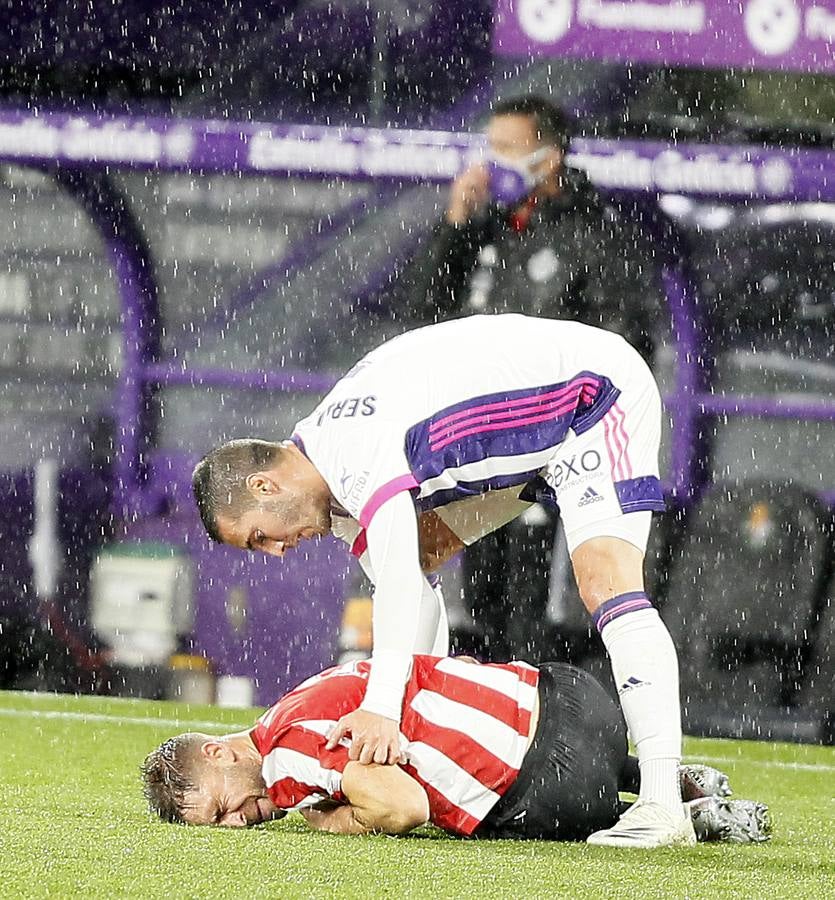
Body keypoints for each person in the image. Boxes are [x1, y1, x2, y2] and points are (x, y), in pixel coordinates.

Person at [191, 313, 684, 847]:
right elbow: (412, 593)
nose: (277, 551)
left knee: (605, 583)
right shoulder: (336, 489)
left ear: (264, 486)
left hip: (591, 396)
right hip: (537, 432)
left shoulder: (350, 452)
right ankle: (677, 788)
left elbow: (400, 583)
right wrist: (412, 726)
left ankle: (662, 802)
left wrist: (380, 709)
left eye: (260, 536)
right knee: (423, 549)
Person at [400, 93, 662, 662]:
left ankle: (547, 717)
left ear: (549, 157)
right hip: (481, 445)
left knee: (537, 601)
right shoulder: (486, 231)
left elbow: (627, 344)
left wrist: (559, 416)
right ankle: (488, 714)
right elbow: (423, 321)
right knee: (483, 594)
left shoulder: (597, 234)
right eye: (489, 149)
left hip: (558, 451)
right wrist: (456, 225)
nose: (491, 164)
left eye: (507, 151)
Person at [140, 654, 770, 845]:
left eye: (222, 808)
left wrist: (336, 820)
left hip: (554, 785)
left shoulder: (286, 757)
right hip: (577, 696)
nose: (236, 822)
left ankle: (691, 819)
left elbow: (406, 806)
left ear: (220, 753)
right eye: (218, 824)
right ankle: (662, 777)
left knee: (484, 813)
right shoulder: (297, 694)